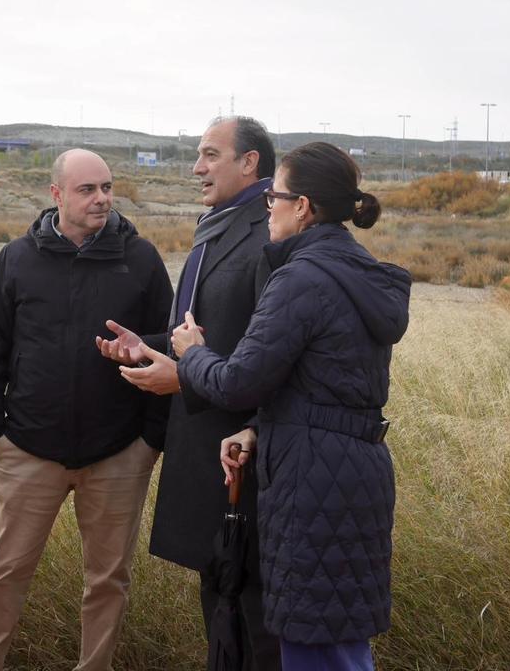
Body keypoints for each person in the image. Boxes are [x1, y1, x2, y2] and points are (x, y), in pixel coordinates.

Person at [171, 142, 410, 671]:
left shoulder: (301, 279)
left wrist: (192, 354)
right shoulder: (358, 273)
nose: (267, 209)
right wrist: (258, 429)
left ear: (302, 207)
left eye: (273, 197)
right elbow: (328, 383)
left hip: (311, 481)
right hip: (353, 472)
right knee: (337, 639)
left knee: (314, 642)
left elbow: (237, 383)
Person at [0, 148, 174, 671]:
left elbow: (168, 348)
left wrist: (150, 441)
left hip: (118, 454)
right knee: (4, 574)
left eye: (107, 187)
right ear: (56, 194)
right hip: (28, 451)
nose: (101, 198)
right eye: (87, 189)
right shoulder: (17, 259)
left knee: (108, 581)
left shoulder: (141, 259)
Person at [96, 115, 281, 669]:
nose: (197, 168)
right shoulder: (218, 225)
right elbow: (205, 332)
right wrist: (148, 348)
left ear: (250, 162)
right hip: (206, 456)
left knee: (253, 620)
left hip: (245, 461)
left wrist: (182, 377)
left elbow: (268, 360)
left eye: (210, 155)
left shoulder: (269, 237)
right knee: (221, 609)